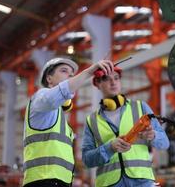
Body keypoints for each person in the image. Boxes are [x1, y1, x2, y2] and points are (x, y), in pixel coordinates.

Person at [23, 57, 114, 187]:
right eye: (64, 71)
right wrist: (89, 72)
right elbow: (58, 94)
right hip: (43, 180)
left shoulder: (59, 118)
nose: (70, 76)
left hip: (59, 182)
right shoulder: (41, 97)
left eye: (72, 75)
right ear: (49, 78)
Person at [82, 66, 170, 187]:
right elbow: (87, 160)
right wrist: (109, 148)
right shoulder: (91, 120)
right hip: (109, 183)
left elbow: (165, 143)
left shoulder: (141, 107)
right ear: (97, 83)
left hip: (142, 181)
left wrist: (153, 135)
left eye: (116, 78)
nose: (113, 82)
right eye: (106, 79)